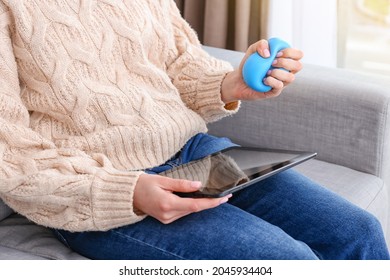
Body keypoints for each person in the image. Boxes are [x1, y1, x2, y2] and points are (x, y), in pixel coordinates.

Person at [0, 0, 388, 260]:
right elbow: (10, 152)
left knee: (359, 232)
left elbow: (179, 64)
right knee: (289, 262)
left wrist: (231, 83)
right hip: (102, 188)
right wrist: (126, 193)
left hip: (194, 152)